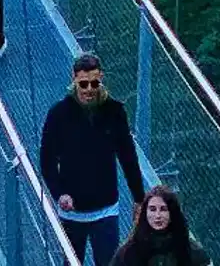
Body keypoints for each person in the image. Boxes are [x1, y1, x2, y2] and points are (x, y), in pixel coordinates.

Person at [40, 53, 146, 266]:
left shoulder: (114, 111)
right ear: (74, 79)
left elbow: (128, 156)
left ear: (101, 78)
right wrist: (59, 193)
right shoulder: (59, 114)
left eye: (94, 83)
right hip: (72, 212)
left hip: (105, 208)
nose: (89, 89)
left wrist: (139, 198)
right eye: (84, 83)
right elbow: (47, 160)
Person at [109, 188, 211, 266]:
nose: (158, 216)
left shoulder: (191, 251)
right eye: (152, 209)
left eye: (163, 209)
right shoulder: (127, 253)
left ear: (172, 213)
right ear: (145, 213)